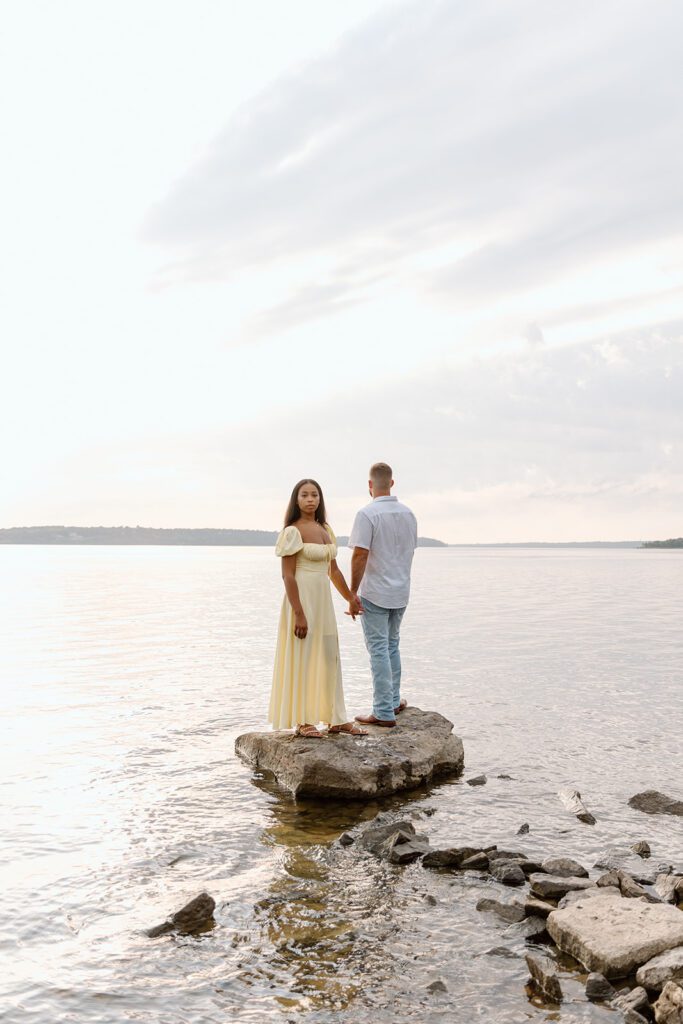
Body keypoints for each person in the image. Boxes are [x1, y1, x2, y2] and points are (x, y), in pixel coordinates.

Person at [268, 478, 367, 739]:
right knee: (303, 654)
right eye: (305, 495)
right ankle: (303, 720)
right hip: (301, 599)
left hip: (322, 600)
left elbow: (333, 571)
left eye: (315, 495)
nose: (311, 499)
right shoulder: (292, 531)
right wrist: (299, 612)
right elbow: (288, 576)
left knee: (328, 654)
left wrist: (350, 598)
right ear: (296, 500)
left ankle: (336, 719)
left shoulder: (325, 529)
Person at [349, 462, 418, 727]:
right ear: (391, 483)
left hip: (375, 592)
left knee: (379, 648)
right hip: (401, 591)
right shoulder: (409, 514)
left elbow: (360, 554)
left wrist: (352, 593)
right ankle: (392, 701)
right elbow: (409, 551)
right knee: (392, 645)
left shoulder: (367, 514)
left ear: (370, 485)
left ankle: (383, 711)